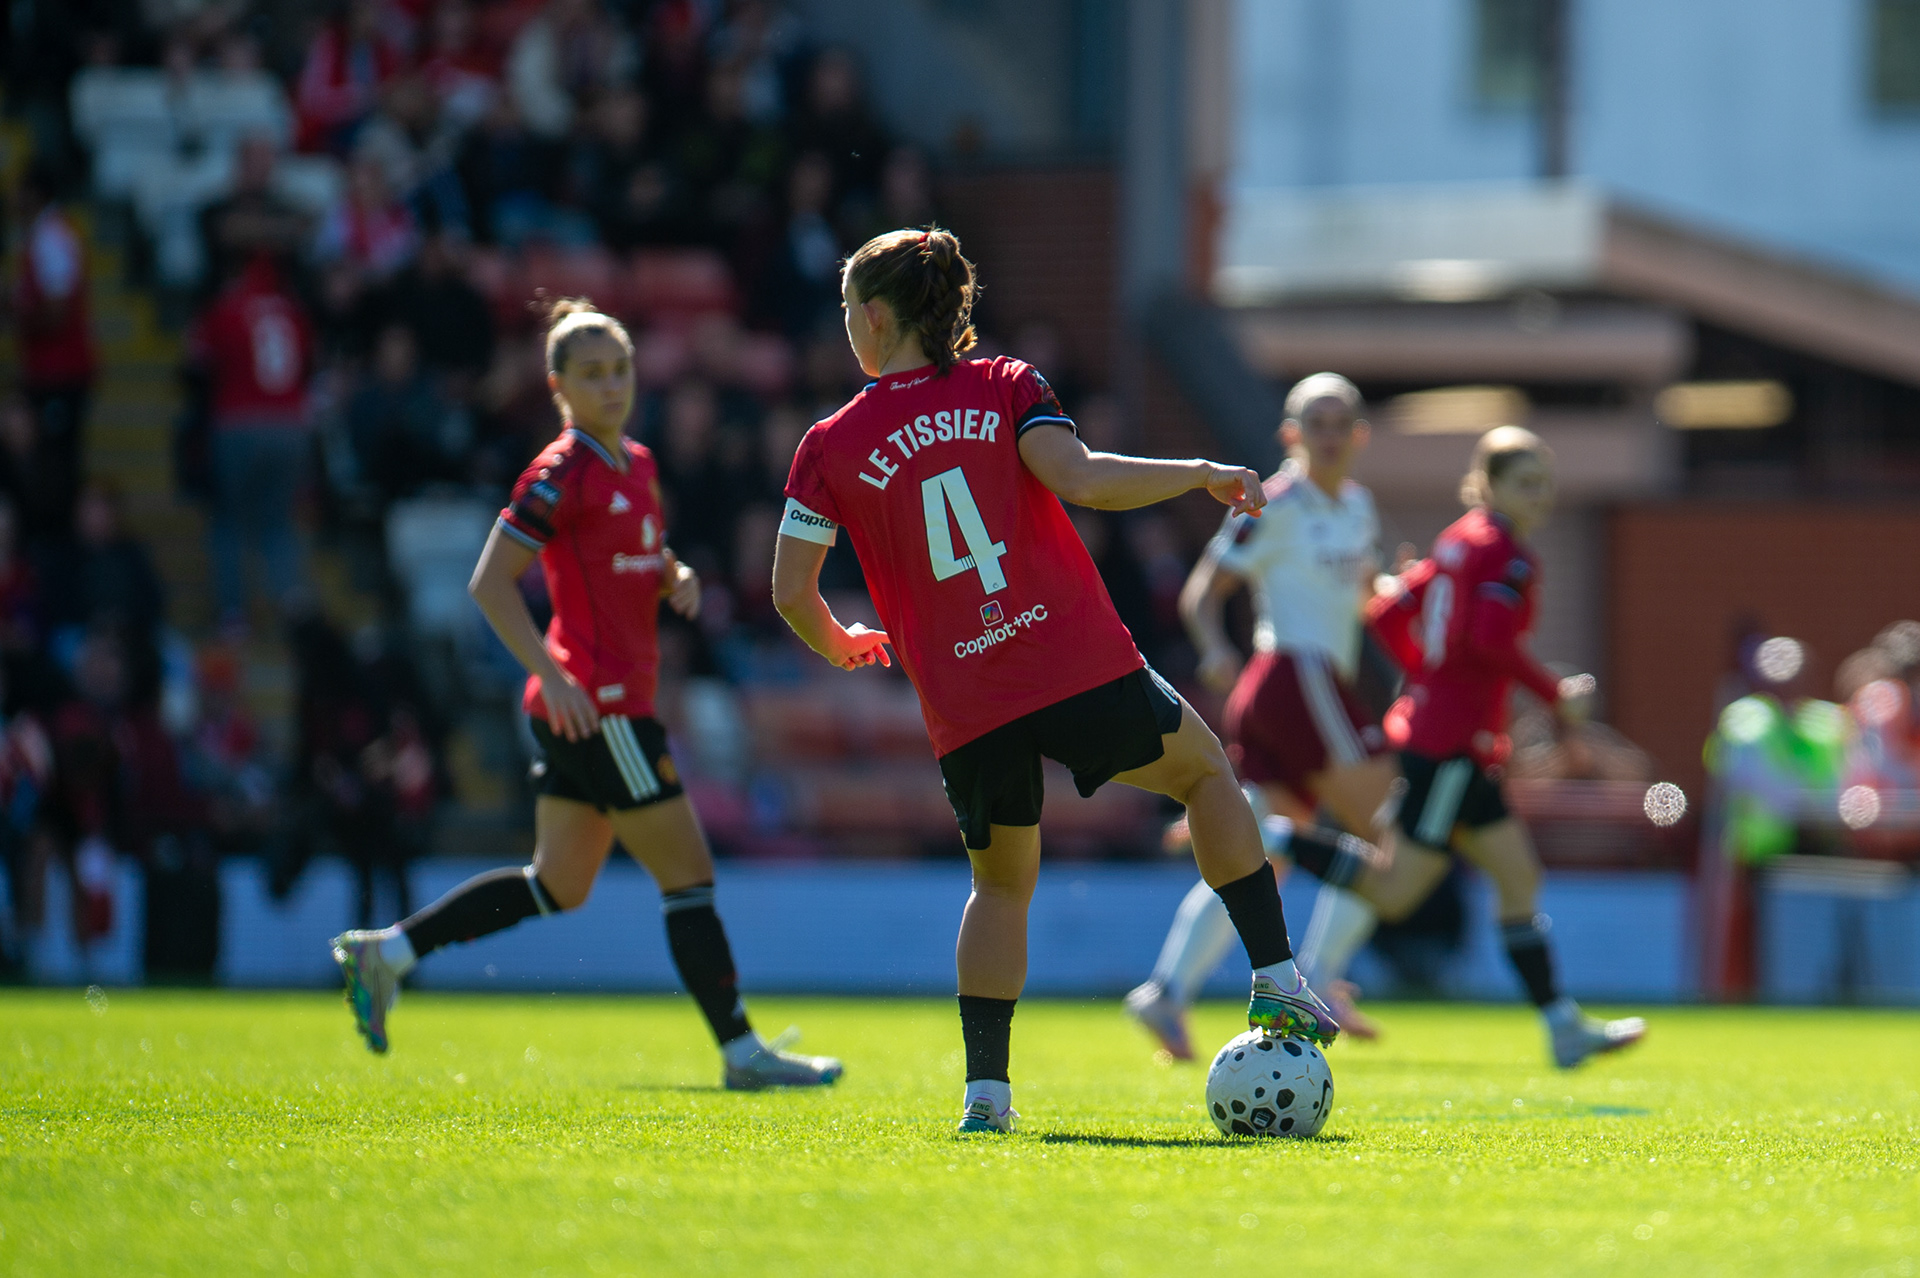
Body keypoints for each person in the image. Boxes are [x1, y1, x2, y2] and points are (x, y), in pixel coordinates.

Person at [771, 228, 1338, 1134]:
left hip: (964, 698)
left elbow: (789, 592)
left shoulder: (828, 445)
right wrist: (1199, 473)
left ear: (873, 316)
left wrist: (841, 644)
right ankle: (1276, 976)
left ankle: (986, 1099)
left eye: (847, 311)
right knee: (1204, 776)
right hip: (1069, 658)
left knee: (1000, 888)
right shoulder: (1006, 384)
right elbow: (1084, 480)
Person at [330, 298, 841, 1091]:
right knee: (689, 874)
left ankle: (387, 953)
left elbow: (634, 549)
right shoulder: (558, 472)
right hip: (601, 709)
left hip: (594, 708)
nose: (611, 385)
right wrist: (556, 672)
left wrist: (671, 573)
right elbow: (490, 584)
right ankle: (741, 1051)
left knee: (557, 884)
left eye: (620, 370)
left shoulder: (636, 463)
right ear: (558, 386)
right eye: (593, 373)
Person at [1340, 426, 1648, 1068]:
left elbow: (1387, 614)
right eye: (1526, 483)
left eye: (1546, 484)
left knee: (1518, 878)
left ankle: (1563, 1027)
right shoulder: (1506, 554)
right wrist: (1555, 692)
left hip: (1460, 743)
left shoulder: (1458, 540)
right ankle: (1278, 837)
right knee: (1397, 891)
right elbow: (1487, 640)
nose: (1540, 496)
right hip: (1451, 747)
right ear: (1489, 485)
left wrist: (1427, 678)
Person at [1125, 373, 1396, 1057]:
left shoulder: (1358, 508)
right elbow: (1201, 592)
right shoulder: (1273, 503)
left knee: (1256, 859)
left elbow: (1364, 596)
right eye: (1316, 424)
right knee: (1393, 832)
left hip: (1305, 690)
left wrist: (1399, 591)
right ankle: (1323, 977)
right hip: (1294, 680)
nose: (1329, 437)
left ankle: (1165, 992)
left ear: (1360, 436)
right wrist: (1214, 648)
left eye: (1341, 424)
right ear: (1290, 435)